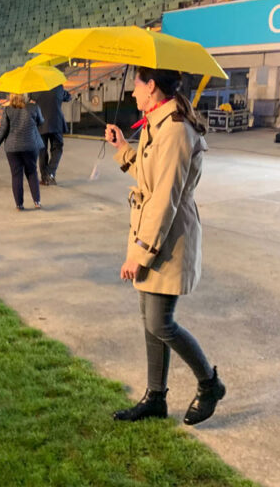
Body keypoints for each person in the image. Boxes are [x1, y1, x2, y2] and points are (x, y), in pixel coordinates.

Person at [105, 67, 224, 426]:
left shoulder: (173, 131)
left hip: (167, 240)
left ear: (152, 86)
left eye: (136, 86)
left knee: (160, 323)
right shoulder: (158, 124)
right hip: (157, 236)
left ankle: (209, 384)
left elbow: (164, 201)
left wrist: (139, 254)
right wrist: (125, 149)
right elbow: (150, 177)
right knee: (150, 322)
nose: (133, 94)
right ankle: (155, 397)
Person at [0, 93, 45, 210]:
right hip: (30, 145)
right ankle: (37, 201)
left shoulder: (8, 110)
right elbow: (41, 121)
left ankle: (19, 205)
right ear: (24, 96)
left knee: (16, 175)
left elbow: (3, 129)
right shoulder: (33, 107)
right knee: (32, 172)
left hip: (13, 147)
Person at [31, 84, 71, 186]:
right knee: (57, 148)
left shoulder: (36, 89)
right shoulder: (58, 87)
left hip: (41, 124)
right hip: (56, 123)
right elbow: (68, 97)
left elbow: (31, 99)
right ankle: (50, 172)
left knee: (42, 151)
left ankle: (45, 178)